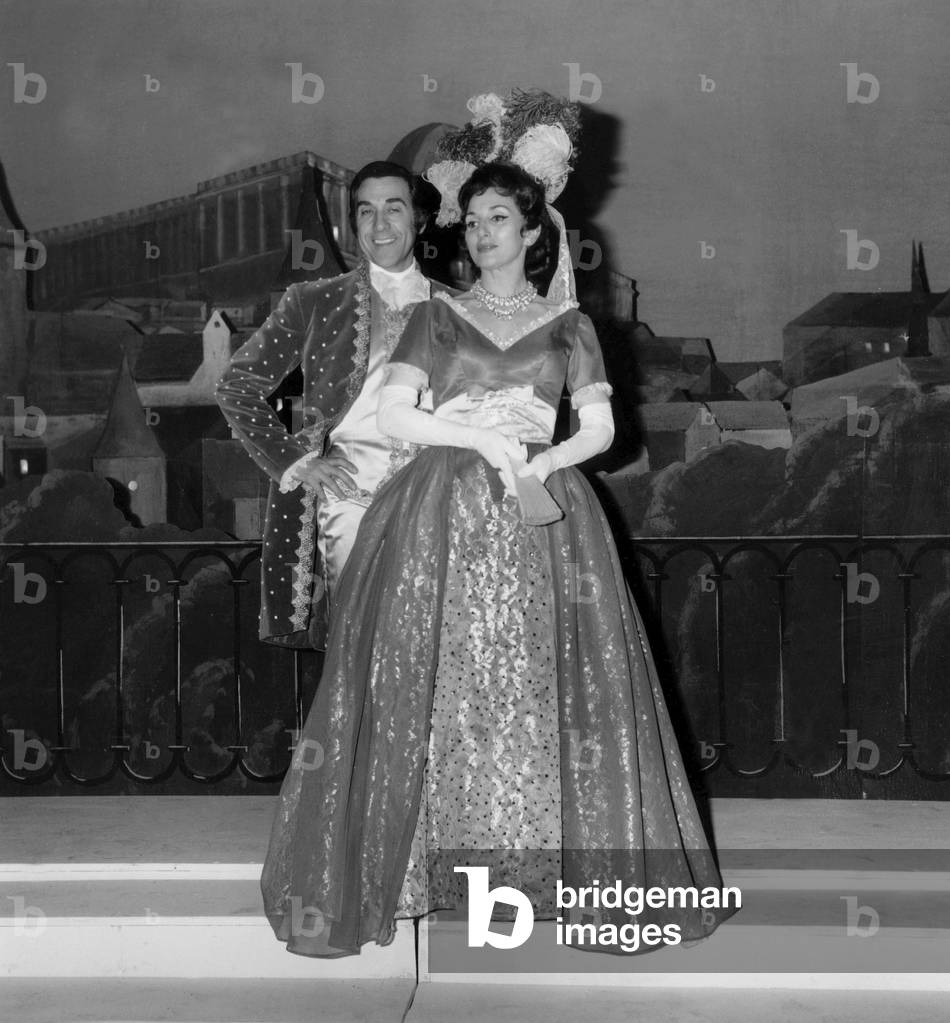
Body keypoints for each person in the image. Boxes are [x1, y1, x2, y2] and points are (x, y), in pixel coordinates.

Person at [260, 160, 737, 959]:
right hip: (440, 510)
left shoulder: (570, 327)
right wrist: (481, 439)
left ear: (533, 232)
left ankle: (531, 875)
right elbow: (396, 417)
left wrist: (546, 463)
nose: (481, 235)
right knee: (442, 683)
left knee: (537, 683)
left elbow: (601, 430)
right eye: (472, 221)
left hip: (543, 512)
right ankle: (427, 871)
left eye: (497, 221)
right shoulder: (438, 317)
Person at [215, 160, 454, 650]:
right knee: (358, 659)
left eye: (394, 208)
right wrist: (298, 463)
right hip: (350, 510)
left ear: (420, 219)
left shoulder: (459, 309)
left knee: (437, 659)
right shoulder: (315, 301)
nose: (380, 224)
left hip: (440, 509)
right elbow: (236, 386)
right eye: (366, 211)